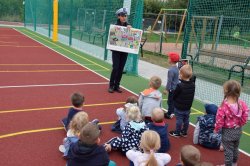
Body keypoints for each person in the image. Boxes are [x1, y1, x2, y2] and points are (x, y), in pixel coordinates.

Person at [214, 80, 249, 166]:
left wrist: (216, 129)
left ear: (225, 91)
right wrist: (240, 123)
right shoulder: (241, 103)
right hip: (238, 130)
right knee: (235, 148)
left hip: (227, 132)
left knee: (228, 151)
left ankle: (228, 164)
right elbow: (246, 114)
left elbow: (219, 121)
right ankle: (234, 163)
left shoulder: (223, 106)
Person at [108, 8, 131, 93]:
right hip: (116, 51)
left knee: (121, 69)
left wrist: (131, 30)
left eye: (125, 16)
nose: (124, 17)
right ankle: (111, 85)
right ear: (118, 16)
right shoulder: (115, 26)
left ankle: (117, 86)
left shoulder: (128, 26)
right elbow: (112, 38)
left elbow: (131, 38)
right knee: (115, 67)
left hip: (124, 51)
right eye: (122, 16)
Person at [169, 64, 195, 137]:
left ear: (181, 75)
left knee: (179, 120)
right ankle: (184, 132)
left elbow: (175, 95)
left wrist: (174, 100)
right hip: (188, 106)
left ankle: (177, 132)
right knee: (186, 119)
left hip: (179, 106)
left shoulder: (179, 85)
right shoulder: (193, 84)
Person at [164, 52, 180, 119]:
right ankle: (172, 111)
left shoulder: (171, 70)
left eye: (168, 58)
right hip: (177, 87)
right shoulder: (176, 68)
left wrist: (166, 89)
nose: (168, 59)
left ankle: (170, 113)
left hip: (172, 89)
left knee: (170, 101)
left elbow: (169, 81)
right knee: (173, 101)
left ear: (171, 60)